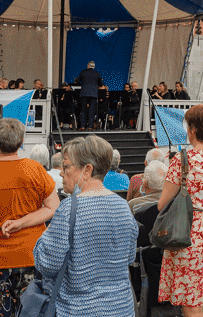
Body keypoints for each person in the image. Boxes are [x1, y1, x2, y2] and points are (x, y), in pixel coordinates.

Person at [35, 135, 138, 317]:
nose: (61, 172)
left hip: (79, 309)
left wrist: (45, 235)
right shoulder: (123, 206)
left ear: (87, 170)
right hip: (121, 307)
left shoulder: (69, 209)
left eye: (66, 166)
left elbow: (47, 264)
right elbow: (129, 257)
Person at [0, 118, 59, 317]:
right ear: (21, 141)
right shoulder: (35, 170)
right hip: (29, 253)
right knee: (31, 311)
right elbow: (53, 207)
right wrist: (21, 222)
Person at [157, 104, 203, 317]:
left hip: (191, 235)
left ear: (192, 130)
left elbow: (162, 204)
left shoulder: (183, 161)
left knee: (192, 301)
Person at [73, 62, 105, 129]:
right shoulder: (97, 74)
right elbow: (101, 84)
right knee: (91, 110)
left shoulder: (83, 72)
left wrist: (75, 80)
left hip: (84, 93)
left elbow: (77, 81)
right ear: (94, 66)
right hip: (93, 94)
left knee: (83, 110)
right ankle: (90, 126)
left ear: (88, 66)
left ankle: (82, 126)